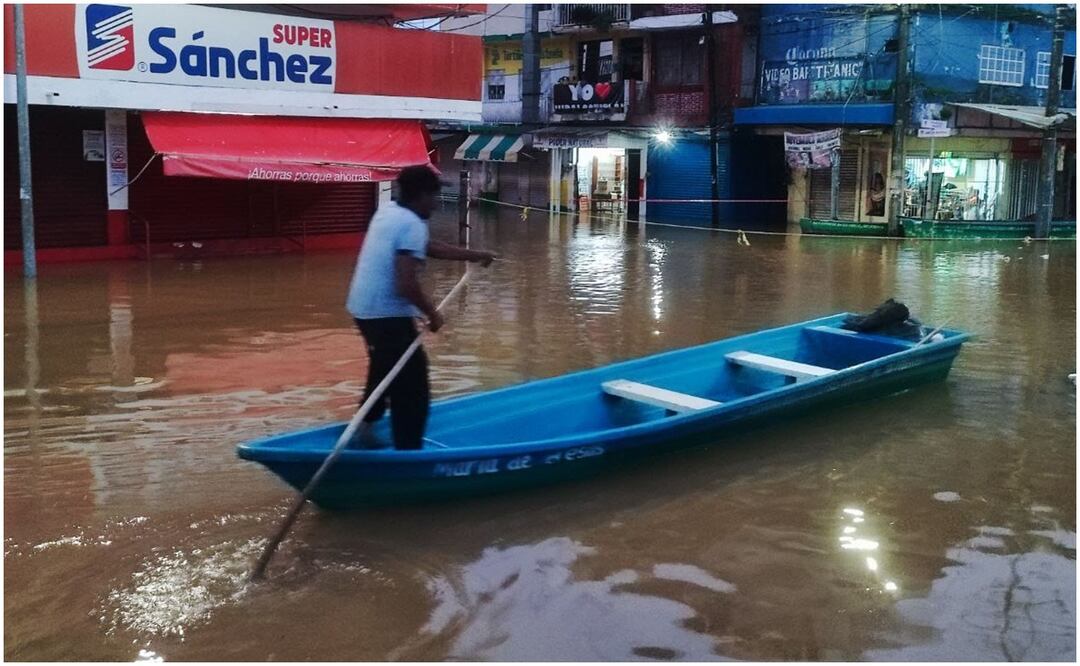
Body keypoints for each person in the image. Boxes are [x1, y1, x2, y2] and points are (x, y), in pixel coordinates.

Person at [346, 165, 496, 450]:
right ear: (422, 196)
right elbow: (406, 284)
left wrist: (475, 255)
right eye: (435, 197)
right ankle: (409, 449)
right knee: (413, 384)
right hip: (386, 314)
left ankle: (364, 426)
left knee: (385, 367)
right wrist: (433, 314)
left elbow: (429, 247)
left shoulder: (389, 211)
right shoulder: (411, 224)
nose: (437, 204)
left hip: (362, 309)